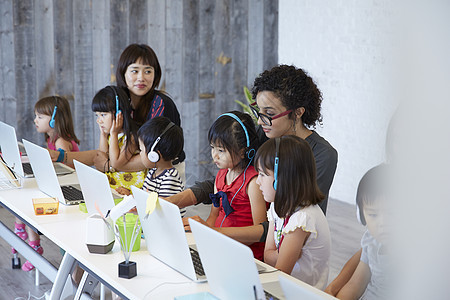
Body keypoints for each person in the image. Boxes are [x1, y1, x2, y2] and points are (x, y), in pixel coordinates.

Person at [176, 64, 337, 243]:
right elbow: (230, 181)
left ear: (298, 113)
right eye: (258, 111)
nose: (260, 121)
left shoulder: (322, 155)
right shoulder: (265, 136)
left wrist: (213, 232)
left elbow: (288, 222)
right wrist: (172, 201)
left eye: (269, 113)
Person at [94, 44, 186, 181]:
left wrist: (114, 165)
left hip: (164, 173)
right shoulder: (119, 101)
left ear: (155, 75)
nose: (141, 78)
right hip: (132, 173)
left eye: (148, 71)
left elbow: (153, 157)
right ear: (123, 73)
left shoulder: (161, 104)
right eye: (134, 71)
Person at [186, 112, 267, 260]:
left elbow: (260, 231)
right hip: (220, 248)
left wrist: (216, 232)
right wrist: (203, 233)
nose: (214, 155)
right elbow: (214, 216)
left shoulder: (253, 182)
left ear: (243, 152)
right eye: (212, 148)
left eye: (221, 150)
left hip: (246, 256)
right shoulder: (221, 176)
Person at [255, 136, 331, 290]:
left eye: (262, 175)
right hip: (285, 287)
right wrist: (281, 253)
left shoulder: (303, 218)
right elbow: (267, 256)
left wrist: (279, 254)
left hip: (300, 293)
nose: (258, 181)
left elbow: (280, 271)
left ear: (281, 177)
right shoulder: (277, 207)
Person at [15, 96, 80, 272]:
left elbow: (63, 170)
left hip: (64, 195)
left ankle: (32, 244)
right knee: (24, 199)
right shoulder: (51, 139)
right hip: (58, 190)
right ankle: (22, 232)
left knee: (28, 206)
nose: (35, 120)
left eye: (40, 117)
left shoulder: (61, 142)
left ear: (54, 120)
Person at [335, 164, 390, 299]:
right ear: (361, 216)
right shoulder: (370, 241)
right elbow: (354, 285)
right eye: (373, 215)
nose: (382, 223)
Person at [92, 85, 146, 193]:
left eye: (103, 115)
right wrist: (103, 135)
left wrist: (114, 133)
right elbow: (101, 158)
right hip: (113, 188)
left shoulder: (132, 137)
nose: (99, 120)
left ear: (118, 114)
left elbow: (116, 163)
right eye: (97, 116)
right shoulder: (109, 135)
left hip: (130, 191)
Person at [137, 116, 186, 216]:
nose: (140, 153)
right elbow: (145, 198)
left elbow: (163, 213)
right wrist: (131, 196)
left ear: (154, 155)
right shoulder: (153, 171)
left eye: (141, 150)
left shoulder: (170, 179)